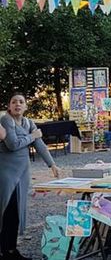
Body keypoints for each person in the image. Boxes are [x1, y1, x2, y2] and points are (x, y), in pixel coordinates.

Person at [1, 93, 60, 260]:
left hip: (23, 172)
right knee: (6, 209)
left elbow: (40, 145)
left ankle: (11, 249)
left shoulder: (28, 122)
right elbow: (12, 145)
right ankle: (5, 250)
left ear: (26, 106)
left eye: (21, 102)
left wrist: (52, 165)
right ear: (9, 106)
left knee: (18, 209)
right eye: (14, 102)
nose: (17, 104)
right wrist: (32, 136)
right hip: (6, 171)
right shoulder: (6, 120)